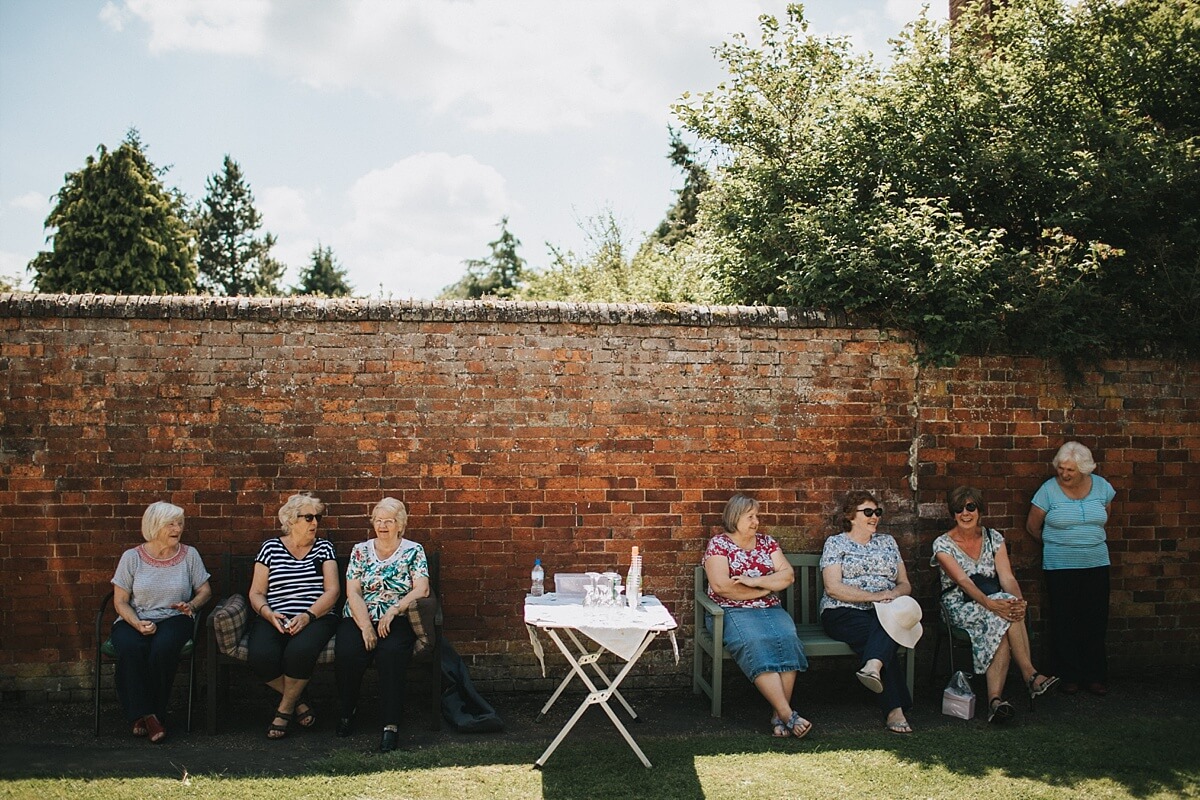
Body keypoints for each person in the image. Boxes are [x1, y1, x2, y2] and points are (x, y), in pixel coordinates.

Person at [932, 486, 1059, 723]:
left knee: (1005, 613)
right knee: (1003, 610)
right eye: (959, 509)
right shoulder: (942, 544)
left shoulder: (993, 538)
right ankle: (1030, 676)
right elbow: (963, 581)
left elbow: (1007, 577)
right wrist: (992, 603)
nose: (965, 514)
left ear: (980, 510)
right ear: (953, 513)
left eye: (971, 507)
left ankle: (995, 701)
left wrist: (1019, 602)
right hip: (961, 606)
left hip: (995, 604)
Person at [703, 494, 812, 738]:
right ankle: (788, 714)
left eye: (757, 516)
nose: (756, 522)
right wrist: (764, 589)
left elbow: (787, 576)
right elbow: (721, 586)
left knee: (788, 639)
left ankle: (777, 714)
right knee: (756, 642)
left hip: (769, 609)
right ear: (735, 517)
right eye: (750, 517)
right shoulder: (719, 544)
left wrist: (756, 582)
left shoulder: (767, 543)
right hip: (731, 611)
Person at [109, 501, 212, 743]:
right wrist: (136, 624)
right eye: (171, 524)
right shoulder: (132, 557)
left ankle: (146, 715)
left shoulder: (190, 555)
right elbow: (120, 601)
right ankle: (149, 716)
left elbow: (205, 591)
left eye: (179, 523)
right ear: (154, 526)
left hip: (175, 618)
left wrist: (192, 605)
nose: (177, 529)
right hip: (136, 616)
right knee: (131, 648)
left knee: (162, 649)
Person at [820, 491, 919, 734]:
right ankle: (895, 708)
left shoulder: (888, 543)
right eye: (868, 512)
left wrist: (894, 595)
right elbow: (833, 588)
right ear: (851, 516)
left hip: (885, 610)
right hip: (843, 612)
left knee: (884, 628)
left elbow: (904, 583)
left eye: (877, 512)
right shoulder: (836, 543)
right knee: (887, 634)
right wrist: (875, 597)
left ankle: (872, 666)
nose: (874, 517)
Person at [335, 497, 430, 752]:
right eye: (378, 521)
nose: (382, 526)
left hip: (396, 618)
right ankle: (347, 711)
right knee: (349, 652)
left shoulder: (413, 550)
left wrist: (394, 610)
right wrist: (366, 626)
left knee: (391, 655)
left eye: (388, 521)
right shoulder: (360, 550)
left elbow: (422, 588)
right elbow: (352, 591)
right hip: (359, 615)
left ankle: (391, 724)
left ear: (400, 524)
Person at [1026, 441, 1116, 696]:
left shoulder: (1102, 487)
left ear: (1085, 470)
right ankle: (1069, 676)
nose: (1064, 474)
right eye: (1061, 468)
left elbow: (1105, 517)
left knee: (1095, 620)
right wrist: (1058, 544)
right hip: (1060, 566)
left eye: (1070, 470)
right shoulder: (1048, 490)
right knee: (1064, 620)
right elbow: (1033, 527)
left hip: (1096, 563)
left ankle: (1095, 676)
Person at [247, 493, 340, 739]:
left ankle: (284, 711)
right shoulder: (270, 548)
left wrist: (308, 616)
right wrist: (269, 614)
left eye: (317, 517)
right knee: (260, 656)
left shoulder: (324, 547)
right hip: (275, 615)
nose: (315, 523)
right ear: (291, 520)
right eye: (308, 517)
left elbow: (333, 591)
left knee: (299, 653)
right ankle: (300, 702)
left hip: (316, 616)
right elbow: (256, 593)